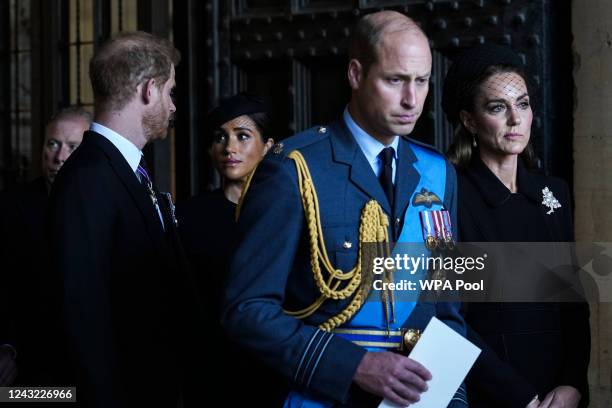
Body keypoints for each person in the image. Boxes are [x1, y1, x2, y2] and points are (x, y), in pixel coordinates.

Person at [222, 11, 467, 407]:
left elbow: (448, 305)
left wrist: (452, 400)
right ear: (355, 75)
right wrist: (355, 365)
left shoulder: (438, 173)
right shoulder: (294, 170)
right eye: (395, 80)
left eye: (421, 81)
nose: (412, 99)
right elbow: (246, 311)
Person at [47, 31, 202, 407]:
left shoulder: (126, 170)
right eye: (170, 92)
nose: (173, 106)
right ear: (149, 90)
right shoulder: (88, 178)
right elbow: (82, 317)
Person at [443, 43, 591, 408]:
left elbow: (572, 301)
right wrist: (518, 396)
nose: (515, 119)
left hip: (558, 395)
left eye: (522, 105)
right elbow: (450, 318)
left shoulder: (553, 193)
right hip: (490, 393)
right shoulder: (448, 198)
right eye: (498, 107)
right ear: (469, 120)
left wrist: (572, 384)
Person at [177, 93, 279, 405]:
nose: (229, 148)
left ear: (268, 146)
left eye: (243, 136)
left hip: (274, 369)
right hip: (210, 371)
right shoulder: (188, 216)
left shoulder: (287, 214)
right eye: (221, 137)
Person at [0, 107, 91, 385]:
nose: (59, 157)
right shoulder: (10, 207)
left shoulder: (104, 208)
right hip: (28, 368)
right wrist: (5, 347)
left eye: (72, 147)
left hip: (86, 370)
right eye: (53, 144)